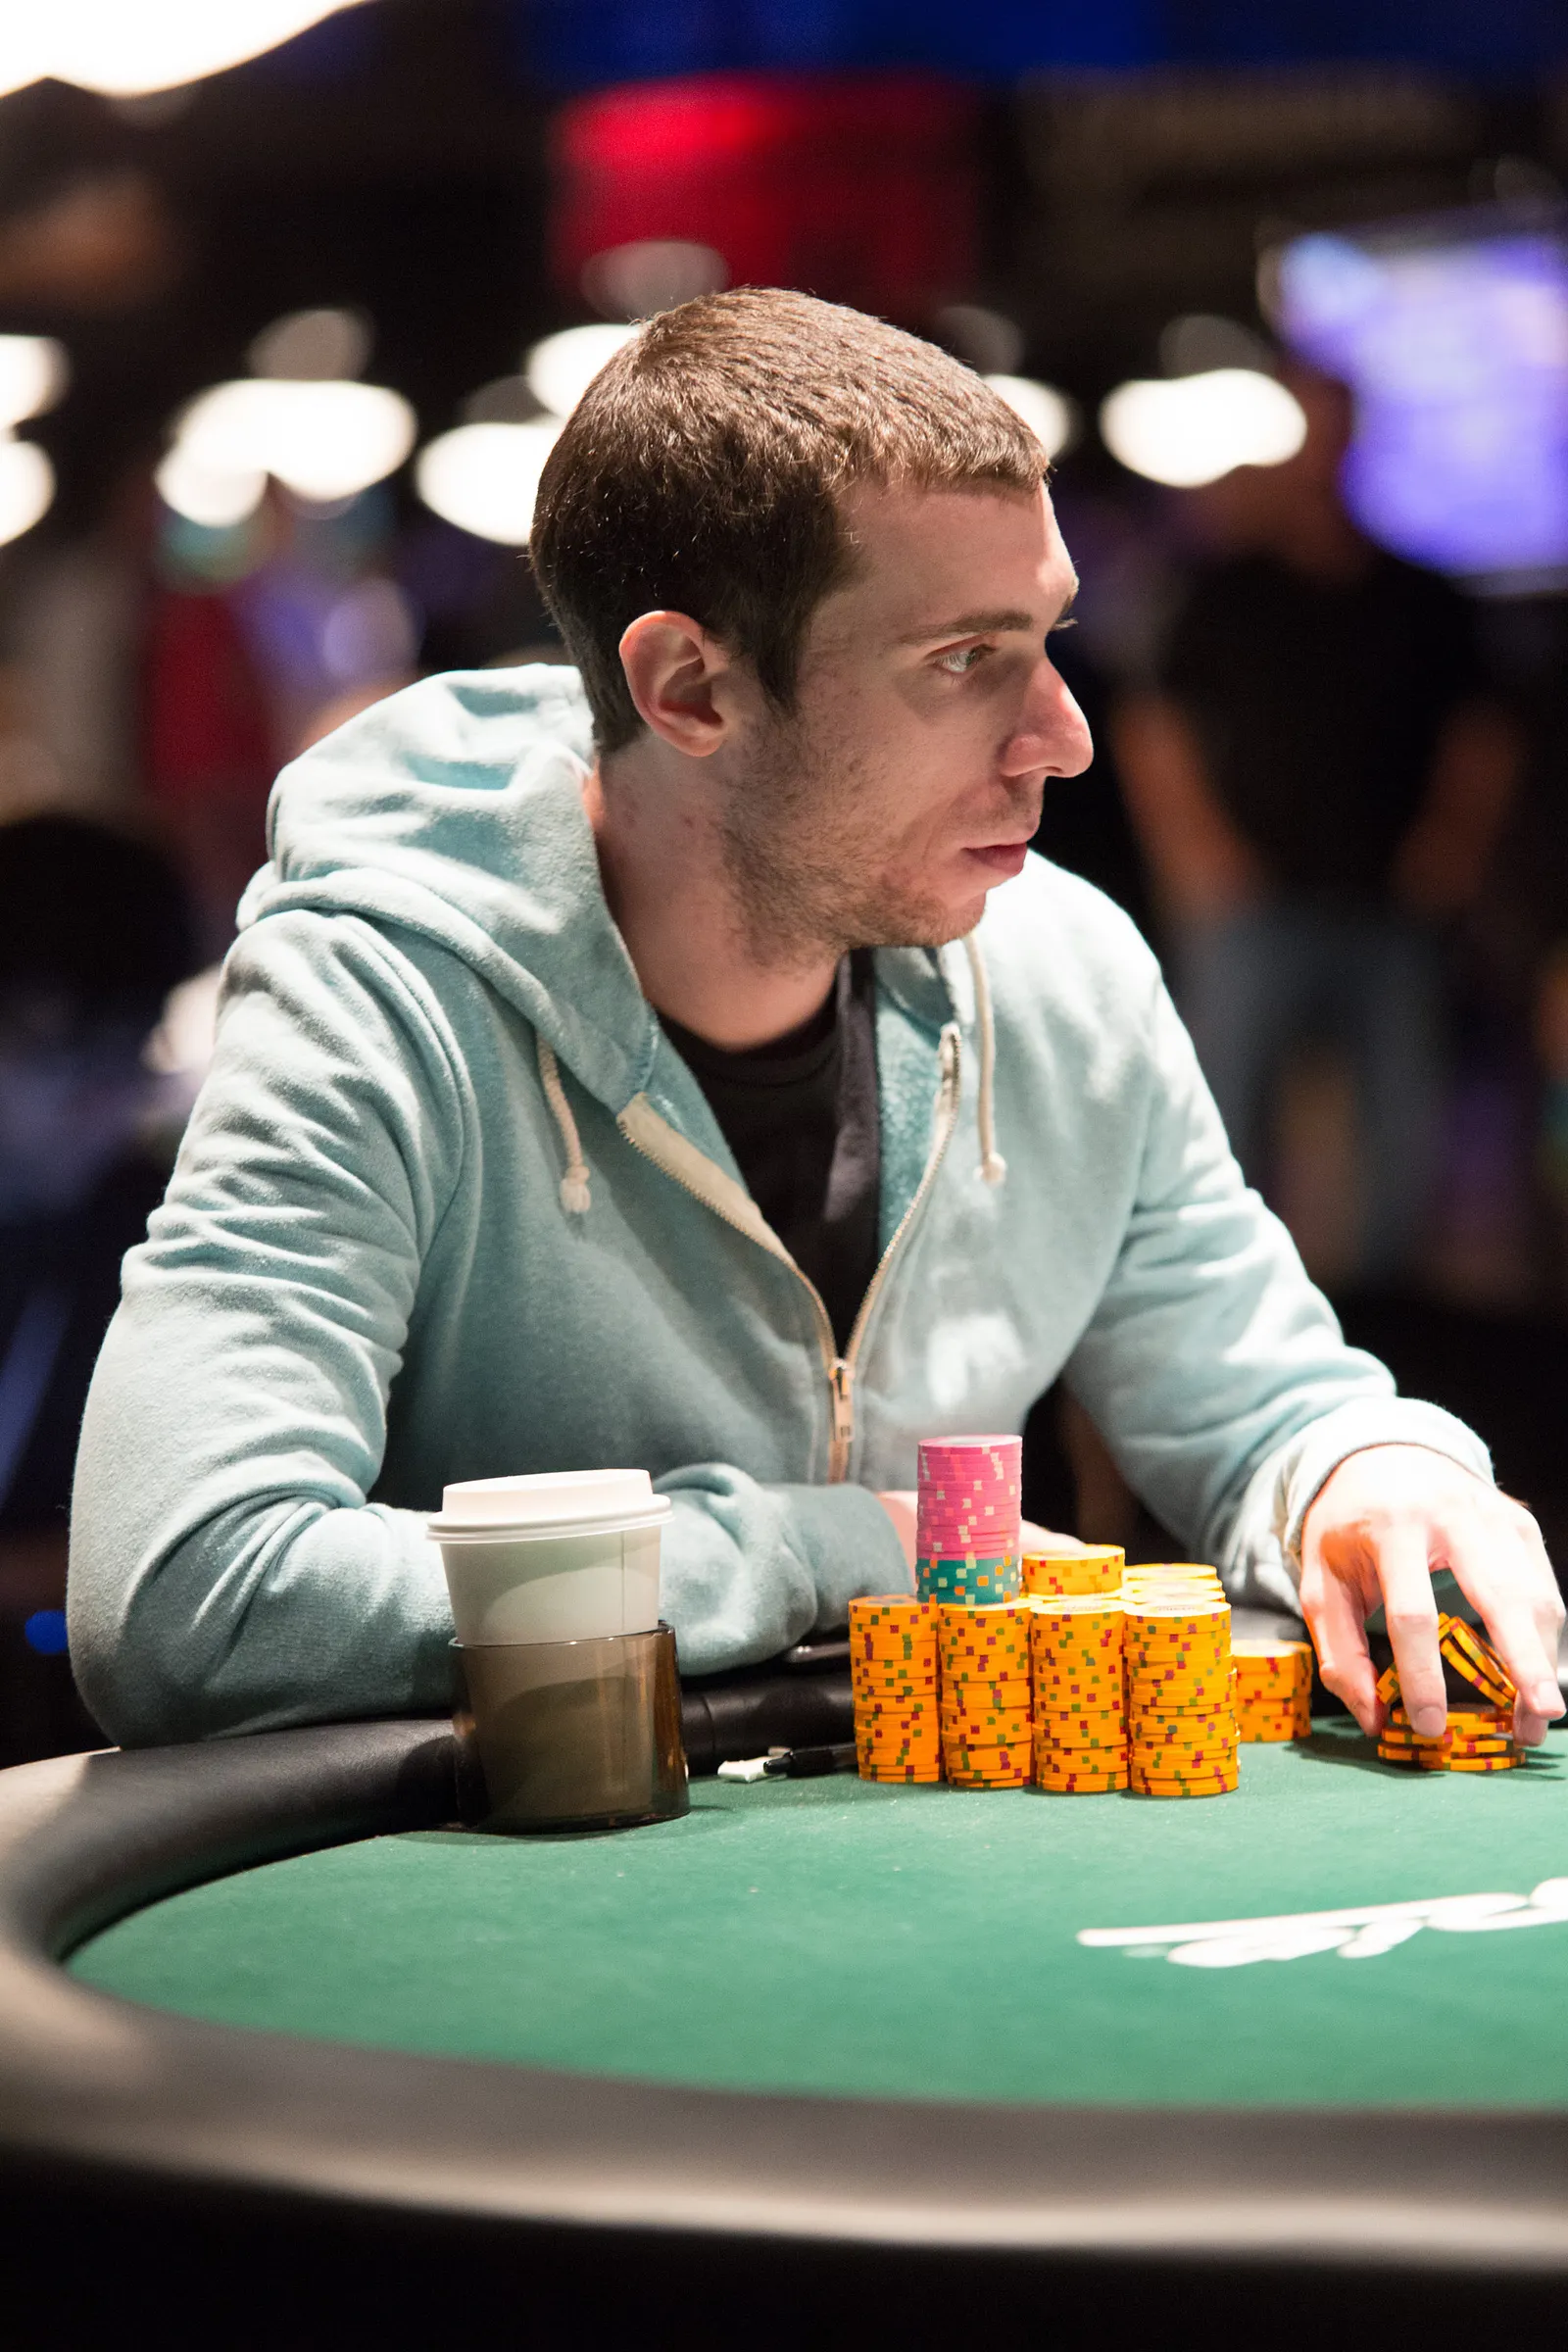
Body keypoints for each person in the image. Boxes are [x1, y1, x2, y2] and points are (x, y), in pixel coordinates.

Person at [68, 291, 1561, 1755]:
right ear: (688, 689)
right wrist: (823, 1549)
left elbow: (1258, 1394)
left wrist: (1367, 1472)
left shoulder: (1063, 967)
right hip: (504, 1876)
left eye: (1048, 638)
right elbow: (187, 1595)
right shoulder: (383, 996)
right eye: (963, 659)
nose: (1064, 737)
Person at [1114, 368, 1519, 1288]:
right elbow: (1156, 725)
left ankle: (1391, 1311)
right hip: (1254, 897)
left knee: (1403, 1120)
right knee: (1225, 1114)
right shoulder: (1225, 591)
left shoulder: (1421, 594)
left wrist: (1452, 848)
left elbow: (1482, 735)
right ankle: (1222, 1296)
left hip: (1391, 898)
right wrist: (1196, 851)